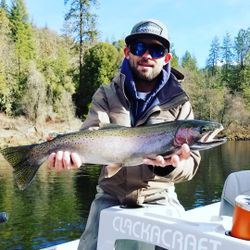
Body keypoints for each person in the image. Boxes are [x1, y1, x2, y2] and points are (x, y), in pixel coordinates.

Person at [48, 19, 201, 250]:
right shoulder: (107, 93)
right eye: (139, 48)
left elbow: (192, 164)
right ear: (127, 52)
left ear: (166, 58)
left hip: (159, 196)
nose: (147, 55)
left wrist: (170, 166)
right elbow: (91, 133)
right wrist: (68, 154)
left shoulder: (180, 102)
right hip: (109, 195)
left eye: (157, 49)